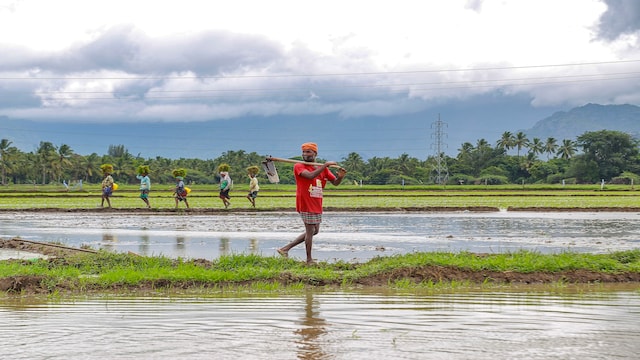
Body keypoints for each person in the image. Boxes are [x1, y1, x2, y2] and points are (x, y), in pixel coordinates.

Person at [277, 142, 346, 264]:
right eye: (304, 152)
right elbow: (309, 176)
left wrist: (340, 177)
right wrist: (325, 165)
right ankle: (309, 259)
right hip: (305, 203)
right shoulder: (299, 166)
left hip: (316, 203)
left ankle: (285, 249)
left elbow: (335, 182)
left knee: (315, 231)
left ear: (315, 153)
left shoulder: (322, 169)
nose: (305, 154)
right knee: (310, 231)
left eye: (308, 152)